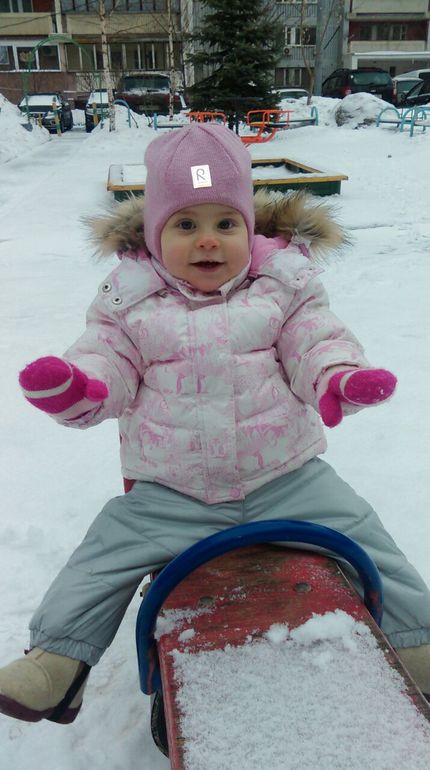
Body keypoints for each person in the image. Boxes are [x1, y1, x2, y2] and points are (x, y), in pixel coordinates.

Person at [1, 123, 430, 725]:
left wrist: (337, 378)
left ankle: (416, 643)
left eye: (226, 223)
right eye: (185, 225)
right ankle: (58, 662)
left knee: (367, 536)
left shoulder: (281, 288)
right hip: (171, 493)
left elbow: (314, 343)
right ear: (154, 234)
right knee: (100, 556)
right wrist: (81, 389)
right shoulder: (130, 303)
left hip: (287, 479)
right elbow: (108, 362)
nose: (208, 240)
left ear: (249, 229)